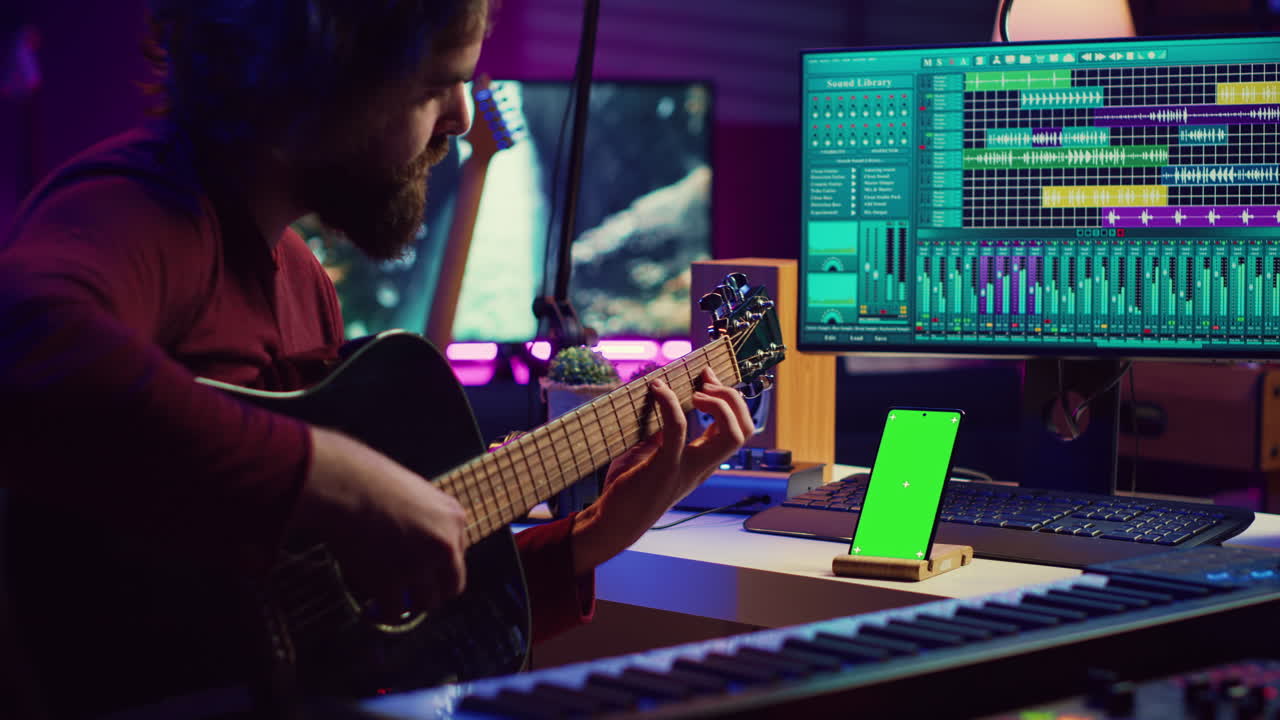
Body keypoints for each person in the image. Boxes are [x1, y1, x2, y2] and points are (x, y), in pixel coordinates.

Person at [0, 0, 753, 717]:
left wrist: (593, 536)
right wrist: (329, 476)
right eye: (438, 84)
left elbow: (340, 620)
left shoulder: (301, 281)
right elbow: (23, 342)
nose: (460, 118)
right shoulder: (144, 208)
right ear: (312, 76)